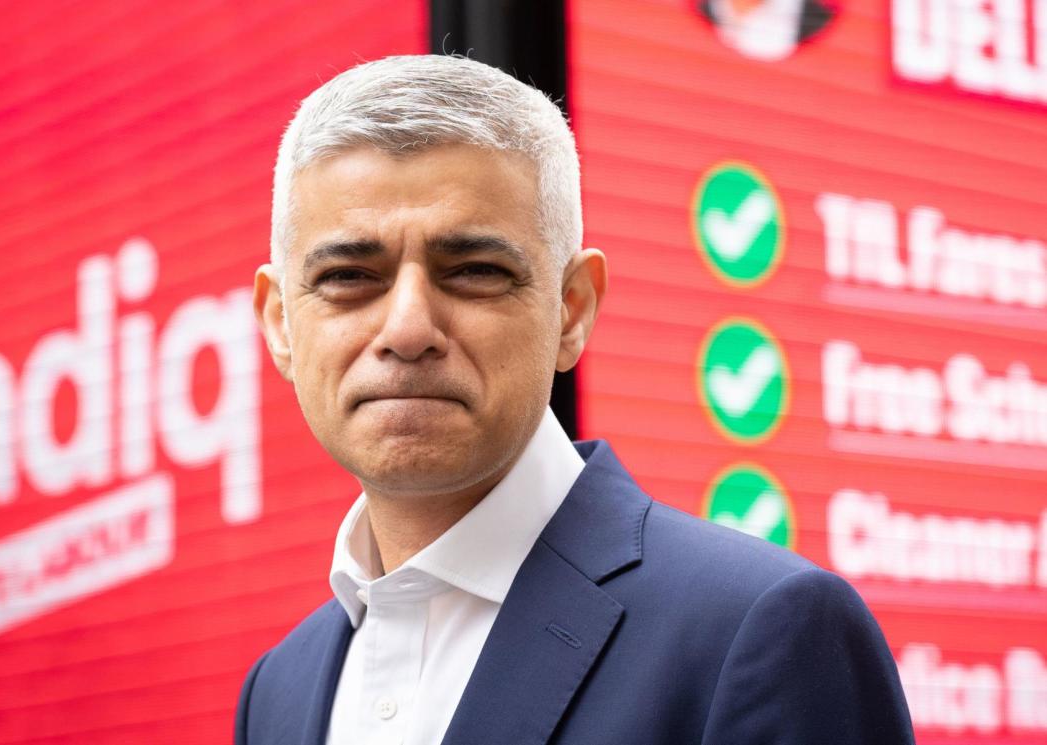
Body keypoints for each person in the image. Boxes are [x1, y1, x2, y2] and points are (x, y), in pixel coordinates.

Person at [237, 54, 914, 745]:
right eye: (349, 275)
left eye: (474, 270)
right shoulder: (277, 692)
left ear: (572, 309)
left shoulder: (762, 629)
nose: (409, 328)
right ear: (281, 322)